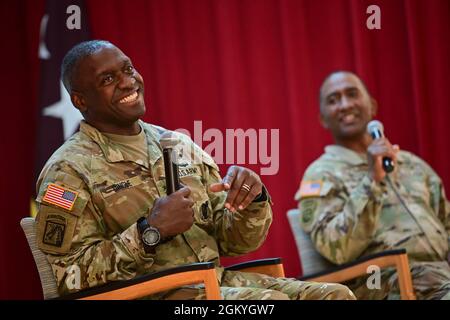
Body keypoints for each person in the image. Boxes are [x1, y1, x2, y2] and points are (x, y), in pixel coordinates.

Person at [35, 40, 355, 300]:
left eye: (128, 69)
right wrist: (150, 231)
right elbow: (71, 279)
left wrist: (251, 201)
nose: (127, 81)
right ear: (80, 100)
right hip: (154, 297)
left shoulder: (176, 145)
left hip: (214, 285)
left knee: (334, 296)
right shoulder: (67, 172)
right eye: (108, 79)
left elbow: (235, 243)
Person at [295, 71, 450, 300]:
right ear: (323, 119)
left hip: (438, 273)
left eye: (352, 94)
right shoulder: (320, 175)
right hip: (380, 280)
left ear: (373, 106)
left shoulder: (412, 164)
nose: (345, 105)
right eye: (333, 100)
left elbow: (446, 223)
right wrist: (372, 180)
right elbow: (336, 248)